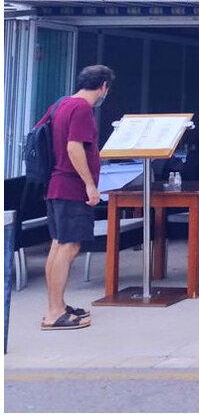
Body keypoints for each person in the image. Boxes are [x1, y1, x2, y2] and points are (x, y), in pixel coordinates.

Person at [39, 64, 115, 331]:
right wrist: (90, 185)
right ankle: (54, 312)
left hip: (55, 184)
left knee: (58, 245)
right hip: (71, 187)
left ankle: (56, 306)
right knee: (69, 247)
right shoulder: (82, 109)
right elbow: (74, 147)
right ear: (103, 86)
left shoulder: (60, 104)